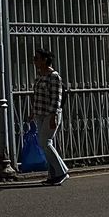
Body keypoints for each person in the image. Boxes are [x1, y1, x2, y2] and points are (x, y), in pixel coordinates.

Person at [29, 48, 70, 186]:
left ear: (45, 60)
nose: (35, 61)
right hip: (40, 113)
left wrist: (53, 116)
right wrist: (33, 112)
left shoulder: (54, 76)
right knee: (44, 143)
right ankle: (53, 175)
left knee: (45, 142)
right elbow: (37, 96)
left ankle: (61, 171)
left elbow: (56, 98)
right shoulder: (40, 76)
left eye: (37, 58)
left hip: (50, 114)